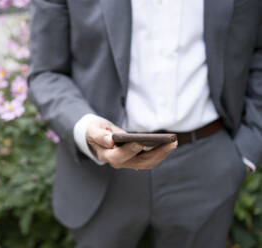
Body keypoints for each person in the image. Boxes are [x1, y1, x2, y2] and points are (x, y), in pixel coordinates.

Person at [28, 0, 262, 247]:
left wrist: (246, 151)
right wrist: (86, 129)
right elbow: (47, 72)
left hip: (207, 161)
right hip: (102, 173)